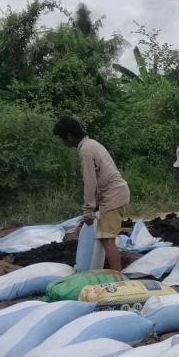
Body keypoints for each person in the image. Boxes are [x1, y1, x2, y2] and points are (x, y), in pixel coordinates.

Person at [53, 116, 131, 272]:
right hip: (113, 194)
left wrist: (88, 209)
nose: (62, 143)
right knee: (105, 238)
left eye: (62, 139)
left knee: (107, 239)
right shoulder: (91, 144)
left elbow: (90, 182)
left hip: (113, 196)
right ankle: (113, 273)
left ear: (69, 136)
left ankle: (118, 279)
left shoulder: (86, 150)